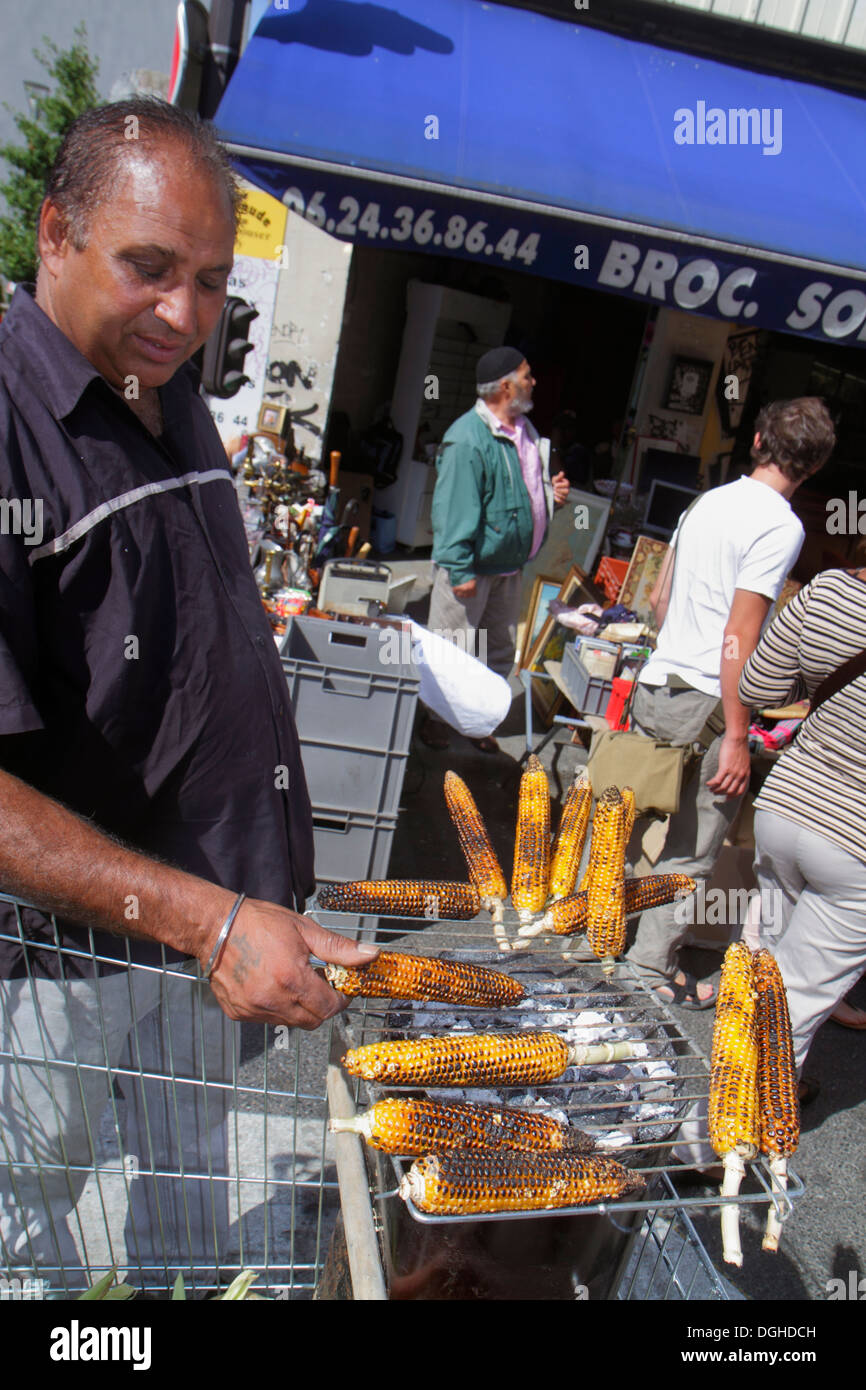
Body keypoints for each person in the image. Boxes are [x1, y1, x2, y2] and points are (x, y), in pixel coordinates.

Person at [0, 98, 375, 1278]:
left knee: (182, 1214)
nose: (183, 315)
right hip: (61, 961)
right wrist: (203, 918)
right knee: (25, 1225)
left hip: (203, 928)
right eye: (149, 269)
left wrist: (234, 901)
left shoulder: (163, 390)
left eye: (211, 281)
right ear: (55, 232)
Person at [625, 398, 836, 1008]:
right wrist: (739, 733)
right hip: (711, 701)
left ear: (759, 441)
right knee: (690, 852)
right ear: (814, 466)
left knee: (621, 823)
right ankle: (644, 971)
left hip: (656, 683)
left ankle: (583, 934)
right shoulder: (783, 524)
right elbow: (739, 634)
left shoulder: (706, 500)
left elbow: (659, 600)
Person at [739, 566, 866, 1077]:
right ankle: (711, 1139)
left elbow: (758, 684)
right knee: (795, 997)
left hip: (786, 808)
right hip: (854, 844)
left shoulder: (830, 588)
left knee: (761, 969)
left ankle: (737, 1100)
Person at [420, 347, 570, 751]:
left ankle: (478, 722)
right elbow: (454, 507)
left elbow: (516, 492)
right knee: (452, 647)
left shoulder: (523, 432)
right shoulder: (468, 438)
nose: (533, 381)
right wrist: (460, 568)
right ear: (505, 386)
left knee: (497, 650)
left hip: (507, 565)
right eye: (527, 375)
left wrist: (549, 495)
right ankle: (437, 722)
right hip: (471, 567)